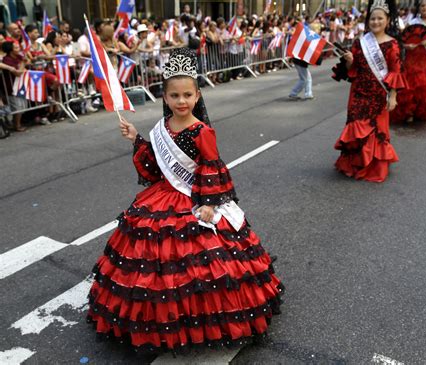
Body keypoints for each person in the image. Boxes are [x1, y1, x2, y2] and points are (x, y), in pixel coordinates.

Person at [86, 48, 283, 352]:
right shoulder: (161, 128)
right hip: (162, 196)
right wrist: (137, 138)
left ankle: (203, 323)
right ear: (165, 98)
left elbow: (212, 166)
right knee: (152, 260)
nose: (181, 101)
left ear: (197, 95)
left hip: (195, 197)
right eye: (175, 95)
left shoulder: (202, 130)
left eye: (187, 95)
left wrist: (208, 202)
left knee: (205, 265)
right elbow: (154, 167)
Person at [332, 0, 407, 182]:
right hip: (358, 91)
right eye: (373, 19)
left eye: (380, 18)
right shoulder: (361, 42)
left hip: (378, 94)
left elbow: (395, 72)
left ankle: (373, 166)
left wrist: (393, 96)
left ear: (387, 20)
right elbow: (355, 68)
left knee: (376, 128)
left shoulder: (392, 44)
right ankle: (355, 163)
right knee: (356, 125)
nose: (376, 22)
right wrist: (350, 60)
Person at [390, 0, 426, 123]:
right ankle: (409, 112)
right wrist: (408, 46)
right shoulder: (412, 22)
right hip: (412, 58)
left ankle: (422, 111)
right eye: (422, 5)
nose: (424, 8)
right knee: (409, 85)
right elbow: (403, 41)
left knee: (423, 85)